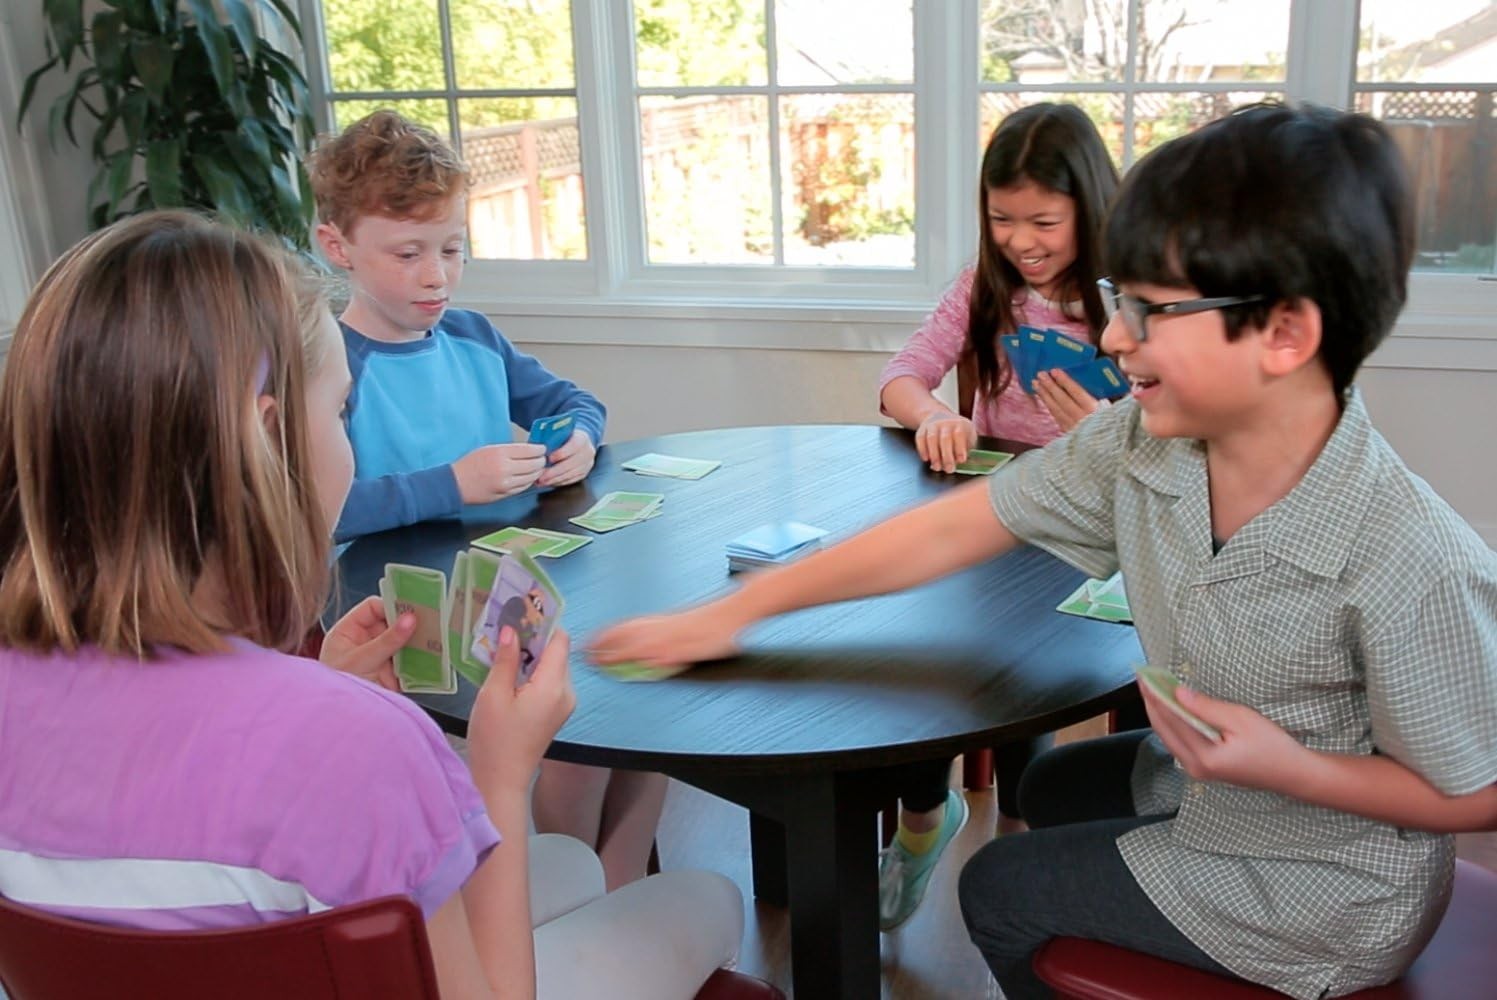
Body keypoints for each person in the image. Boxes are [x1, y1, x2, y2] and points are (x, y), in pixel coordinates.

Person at [589, 103, 1497, 999]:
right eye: (1116, 299)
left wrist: (1287, 766)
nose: (1113, 337)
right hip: (1218, 794)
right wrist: (735, 611)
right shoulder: (1141, 443)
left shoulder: (1410, 556)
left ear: (1285, 333)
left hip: (1323, 895)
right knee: (1056, 784)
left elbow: (1481, 793)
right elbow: (954, 526)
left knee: (998, 886)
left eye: (1149, 310)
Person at [0, 211, 744, 1000]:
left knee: (571, 864)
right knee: (703, 896)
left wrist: (323, 693)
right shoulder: (361, 744)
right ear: (268, 442)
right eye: (340, 412)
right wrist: (499, 776)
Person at [310, 110, 667, 891]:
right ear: (337, 246)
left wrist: (578, 437)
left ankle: (610, 888)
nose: (436, 276)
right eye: (408, 253)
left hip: (507, 591)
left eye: (452, 248)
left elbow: (572, 401)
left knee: (641, 697)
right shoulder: (329, 365)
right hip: (400, 621)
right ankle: (577, 889)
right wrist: (452, 484)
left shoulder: (471, 335)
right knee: (578, 737)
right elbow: (315, 513)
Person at [875, 102, 1121, 930]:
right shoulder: (984, 286)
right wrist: (931, 414)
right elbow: (901, 377)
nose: (1021, 240)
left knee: (1026, 684)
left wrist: (1107, 429)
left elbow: (1174, 435)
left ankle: (1018, 846)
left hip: (1084, 526)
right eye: (1001, 219)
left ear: (1089, 206)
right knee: (935, 667)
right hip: (990, 514)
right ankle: (922, 821)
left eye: (1043, 221)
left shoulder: (1128, 305)